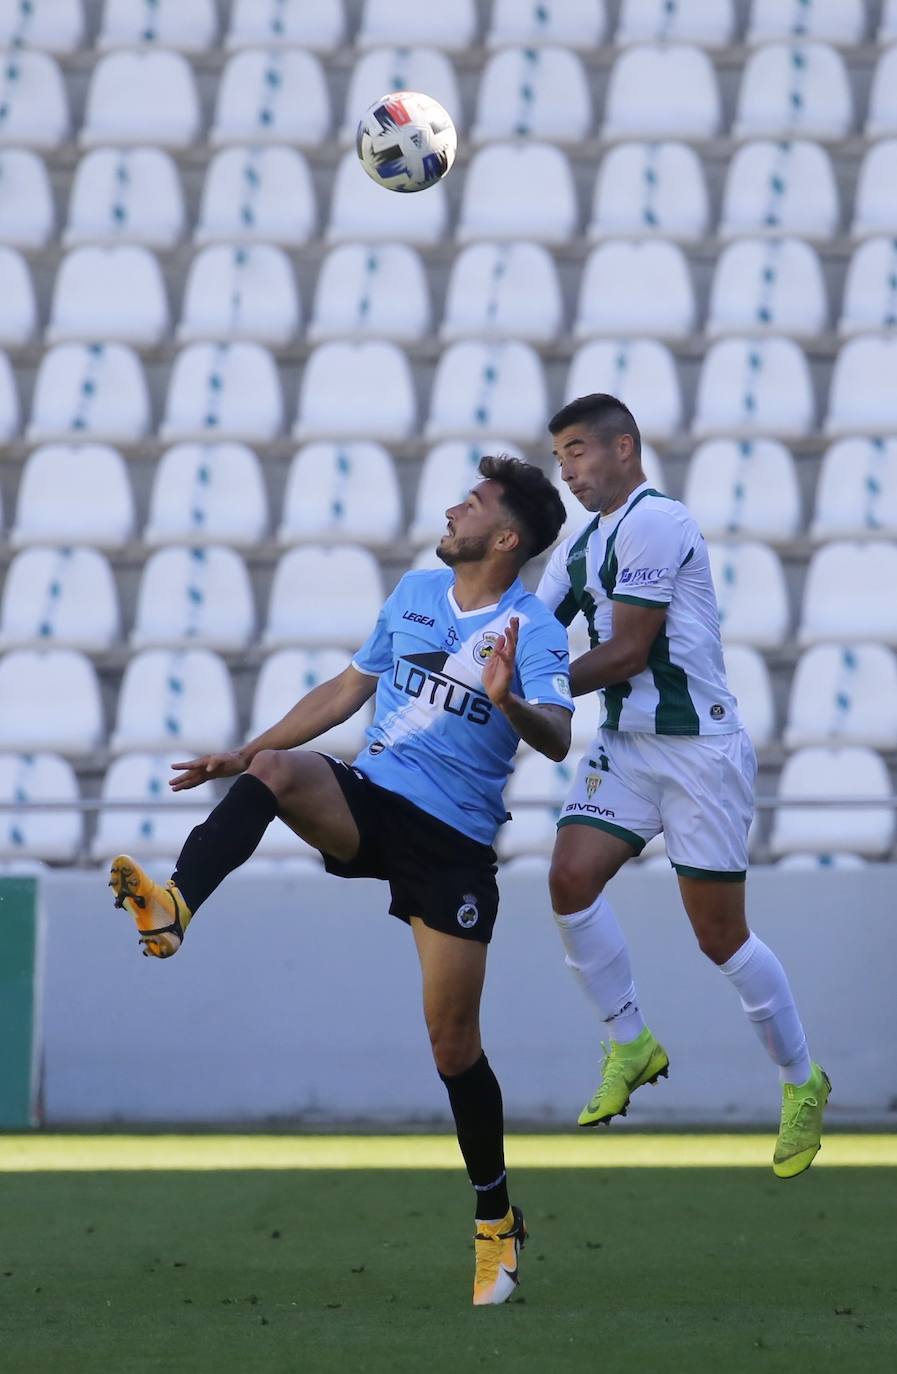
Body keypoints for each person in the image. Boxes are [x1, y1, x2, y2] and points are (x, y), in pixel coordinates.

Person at [109, 455, 572, 1305]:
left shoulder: (534, 631)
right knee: (282, 769)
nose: (451, 510)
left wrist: (507, 700)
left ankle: (495, 1221)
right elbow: (348, 688)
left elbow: (556, 739)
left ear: (504, 537)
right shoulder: (411, 597)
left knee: (452, 1046)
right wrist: (246, 754)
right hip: (373, 801)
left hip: (453, 847)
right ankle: (173, 905)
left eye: (468, 505)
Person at [537, 393, 830, 1178]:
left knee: (718, 938)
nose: (565, 469)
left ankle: (802, 1081)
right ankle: (629, 1041)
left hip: (699, 751)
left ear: (622, 448)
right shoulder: (580, 546)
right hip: (628, 749)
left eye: (575, 451)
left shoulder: (657, 522)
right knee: (567, 879)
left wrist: (529, 687)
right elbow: (528, 633)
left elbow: (628, 652)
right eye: (559, 455)